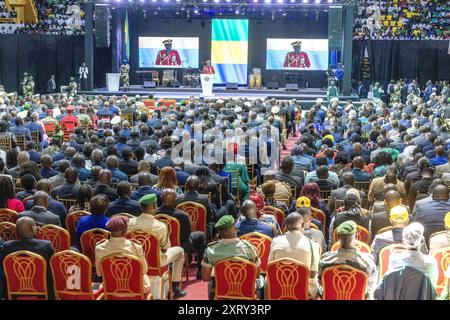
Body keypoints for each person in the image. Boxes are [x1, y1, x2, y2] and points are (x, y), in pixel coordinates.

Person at [128, 193, 186, 298]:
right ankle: (175, 287)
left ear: (141, 207)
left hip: (135, 259)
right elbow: (165, 249)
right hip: (155, 262)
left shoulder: (129, 222)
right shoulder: (160, 226)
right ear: (154, 206)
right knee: (180, 251)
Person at [202, 215, 260, 300]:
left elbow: (205, 277)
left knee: (211, 282)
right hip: (245, 292)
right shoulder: (249, 248)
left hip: (222, 293)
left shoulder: (210, 250)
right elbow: (257, 274)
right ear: (235, 229)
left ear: (219, 232)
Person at [319, 221, 378, 299]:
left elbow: (320, 284)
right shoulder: (368, 263)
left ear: (338, 237)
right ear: (356, 236)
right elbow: (370, 289)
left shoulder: (325, 260)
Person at [268, 212, 321, 299]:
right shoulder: (313, 245)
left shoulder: (275, 242)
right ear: (303, 224)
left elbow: (270, 267)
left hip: (278, 288)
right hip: (303, 290)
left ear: (286, 227)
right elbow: (313, 273)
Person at [157, 188, 206, 279]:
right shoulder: (183, 215)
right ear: (175, 200)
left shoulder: (155, 214)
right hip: (180, 246)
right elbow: (187, 234)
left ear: (161, 199)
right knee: (201, 235)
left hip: (160, 246)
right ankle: (200, 270)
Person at [1, 217, 55, 298]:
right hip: (42, 290)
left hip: (14, 291)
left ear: (16, 231)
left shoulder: (6, 246)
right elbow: (53, 266)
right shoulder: (46, 245)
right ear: (33, 228)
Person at [95, 215, 151, 294]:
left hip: (110, 288)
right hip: (137, 289)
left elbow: (99, 273)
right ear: (125, 231)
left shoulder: (99, 247)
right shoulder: (135, 246)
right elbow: (144, 270)